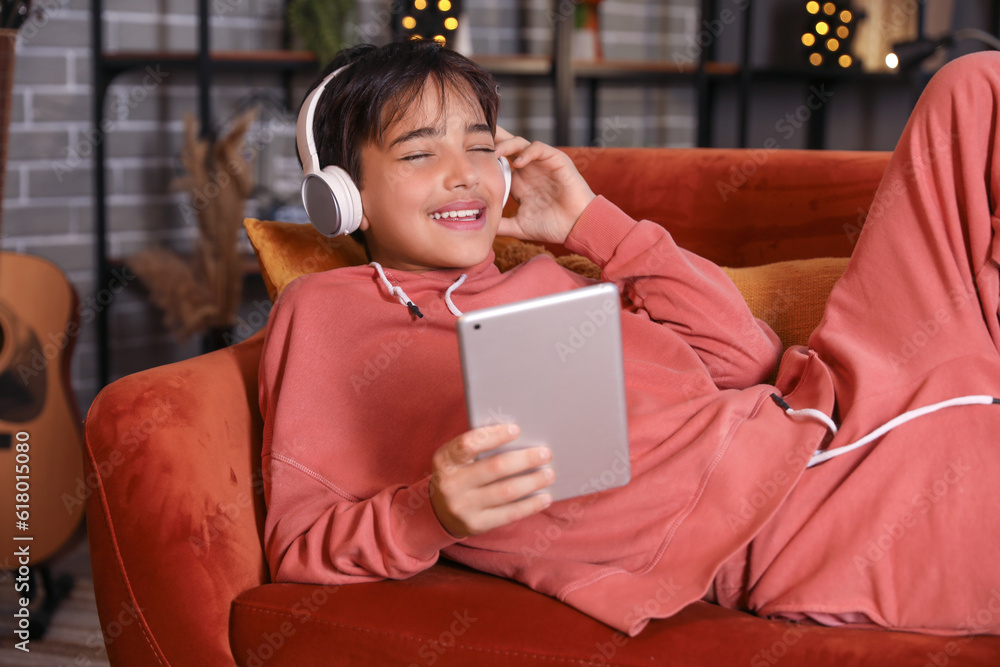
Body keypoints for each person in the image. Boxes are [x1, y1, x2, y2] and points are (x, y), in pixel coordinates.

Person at [259, 39, 1000, 637]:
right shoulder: (326, 313)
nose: (465, 176)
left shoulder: (552, 280)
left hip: (836, 397)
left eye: (481, 147)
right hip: (791, 524)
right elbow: (297, 541)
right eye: (420, 153)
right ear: (341, 194)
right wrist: (432, 511)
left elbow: (750, 362)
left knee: (977, 90)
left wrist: (590, 223)